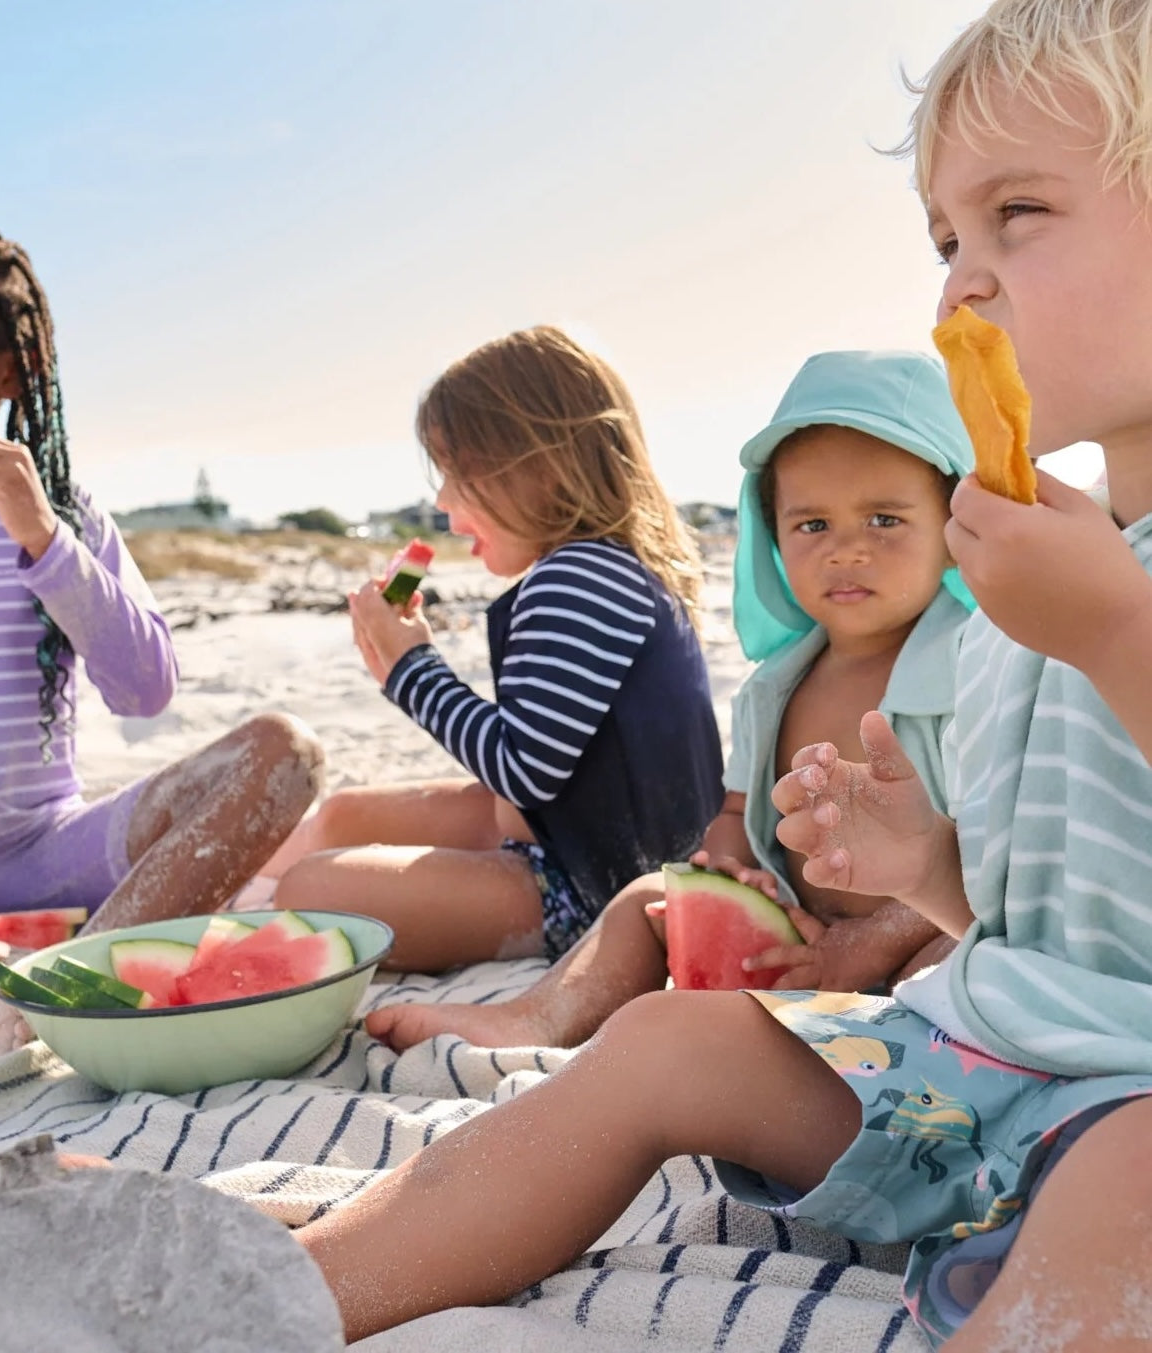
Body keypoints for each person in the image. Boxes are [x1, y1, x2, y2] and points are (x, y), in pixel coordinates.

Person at [294, 3, 1152, 1347]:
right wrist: (920, 861)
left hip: (1134, 1096)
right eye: (943, 238)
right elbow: (1039, 899)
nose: (957, 286)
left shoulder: (1083, 592)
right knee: (664, 1044)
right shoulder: (1028, 564)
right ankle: (307, 1280)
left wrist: (1114, 633)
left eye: (1018, 214)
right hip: (983, 1053)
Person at [368, 349, 974, 1052]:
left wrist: (872, 942)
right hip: (795, 941)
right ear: (772, 535)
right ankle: (535, 1018)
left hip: (923, 933)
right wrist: (730, 871)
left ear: (954, 528)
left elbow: (995, 854)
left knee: (968, 960)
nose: (845, 550)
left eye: (884, 520)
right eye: (812, 525)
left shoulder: (973, 667)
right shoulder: (775, 684)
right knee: (645, 901)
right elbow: (733, 814)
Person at [0, 216, 323, 1010]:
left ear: (12, 368)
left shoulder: (61, 511)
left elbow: (145, 691)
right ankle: (50, 973)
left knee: (286, 754)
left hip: (49, 854)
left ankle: (52, 957)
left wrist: (41, 536)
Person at [269, 326, 725, 972]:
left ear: (540, 465)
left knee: (310, 889)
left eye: (459, 473)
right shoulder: (597, 568)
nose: (441, 500)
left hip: (597, 890)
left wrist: (410, 668)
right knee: (340, 815)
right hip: (562, 838)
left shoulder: (578, 578)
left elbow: (526, 768)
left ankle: (244, 914)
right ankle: (233, 896)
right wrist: (407, 661)